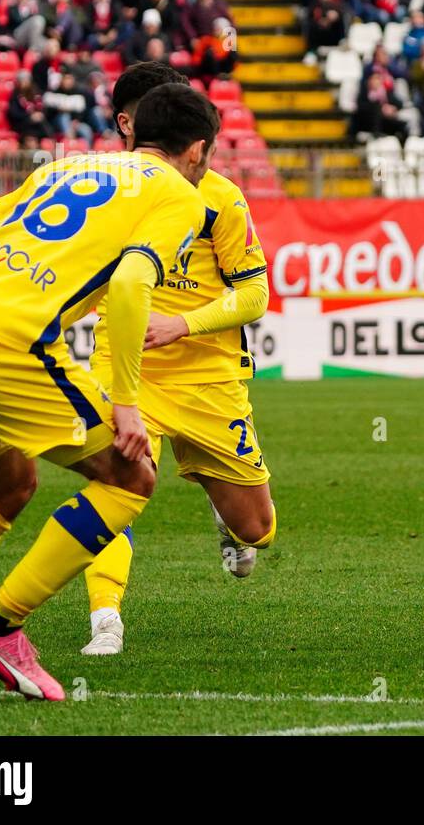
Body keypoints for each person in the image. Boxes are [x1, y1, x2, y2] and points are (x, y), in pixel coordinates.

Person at [0, 83, 213, 701]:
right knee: (131, 478)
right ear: (196, 151)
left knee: (7, 486)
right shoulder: (179, 197)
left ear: (134, 131)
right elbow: (131, 286)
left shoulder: (68, 165)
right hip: (10, 341)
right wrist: (125, 400)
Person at [79, 63, 276, 655]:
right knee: (117, 489)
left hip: (207, 374)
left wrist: (182, 323)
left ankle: (226, 518)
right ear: (127, 123)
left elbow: (256, 294)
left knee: (257, 529)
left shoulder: (220, 197)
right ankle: (105, 619)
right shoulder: (97, 186)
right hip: (123, 366)